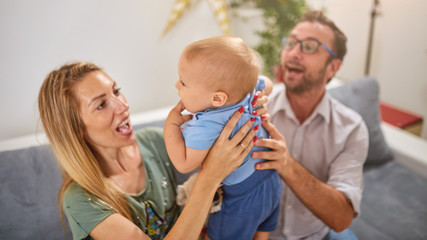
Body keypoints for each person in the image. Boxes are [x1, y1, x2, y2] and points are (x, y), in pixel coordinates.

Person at [38, 61, 261, 240]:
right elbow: (212, 170)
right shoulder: (81, 200)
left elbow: (219, 138)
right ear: (76, 130)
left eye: (117, 91)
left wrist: (249, 109)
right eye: (101, 104)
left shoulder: (155, 141)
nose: (123, 106)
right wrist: (208, 179)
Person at [252, 10, 369, 240]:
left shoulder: (351, 129)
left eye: (309, 46)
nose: (294, 53)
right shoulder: (257, 108)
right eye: (291, 43)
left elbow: (341, 218)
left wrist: (287, 164)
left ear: (333, 67)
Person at [163, 36, 281, 240]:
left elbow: (184, 164)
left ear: (217, 98)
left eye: (183, 82)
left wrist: (170, 126)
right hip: (271, 181)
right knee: (261, 231)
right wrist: (261, 94)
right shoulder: (246, 92)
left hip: (241, 198)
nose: (176, 85)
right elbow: (268, 84)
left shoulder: (208, 125)